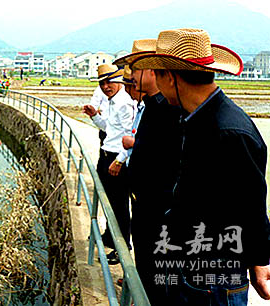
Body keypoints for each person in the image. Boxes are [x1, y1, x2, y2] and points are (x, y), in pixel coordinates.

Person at [131, 28, 270, 305]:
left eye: (158, 73)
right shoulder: (195, 120)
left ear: (170, 77)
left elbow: (252, 204)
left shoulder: (229, 132)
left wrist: (259, 261)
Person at [115, 38, 183, 304]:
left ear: (151, 71)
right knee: (146, 267)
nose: (130, 76)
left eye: (134, 67)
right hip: (144, 206)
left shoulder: (169, 111)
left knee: (159, 276)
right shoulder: (152, 107)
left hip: (159, 212)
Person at [83, 64, 135, 264]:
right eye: (102, 83)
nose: (106, 86)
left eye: (109, 81)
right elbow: (109, 128)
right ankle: (110, 235)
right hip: (107, 155)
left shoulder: (124, 103)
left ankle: (122, 248)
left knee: (119, 205)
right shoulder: (113, 101)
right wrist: (94, 115)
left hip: (115, 159)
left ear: (119, 80)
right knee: (110, 202)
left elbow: (130, 135)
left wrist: (119, 160)